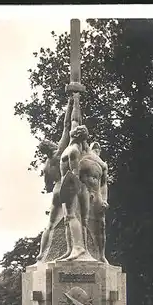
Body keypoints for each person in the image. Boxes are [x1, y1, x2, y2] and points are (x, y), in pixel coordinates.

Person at [36, 96, 73, 261]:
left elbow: (48, 187)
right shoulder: (58, 152)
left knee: (50, 225)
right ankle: (72, 250)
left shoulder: (46, 167)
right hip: (65, 186)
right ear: (50, 146)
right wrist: (70, 104)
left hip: (56, 190)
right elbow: (67, 126)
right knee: (71, 218)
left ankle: (42, 254)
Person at [58, 92, 92, 261]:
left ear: (76, 135)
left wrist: (73, 195)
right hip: (67, 186)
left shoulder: (73, 151)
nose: (72, 129)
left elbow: (75, 175)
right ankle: (70, 248)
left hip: (72, 187)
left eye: (75, 130)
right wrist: (74, 102)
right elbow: (73, 120)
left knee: (72, 216)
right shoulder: (72, 145)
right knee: (66, 219)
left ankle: (78, 248)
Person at [79, 141, 109, 263]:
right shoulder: (84, 154)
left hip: (97, 194)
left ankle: (101, 255)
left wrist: (105, 200)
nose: (96, 146)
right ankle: (83, 250)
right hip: (84, 191)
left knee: (101, 225)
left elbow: (104, 184)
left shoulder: (103, 165)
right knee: (82, 221)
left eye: (98, 147)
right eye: (94, 146)